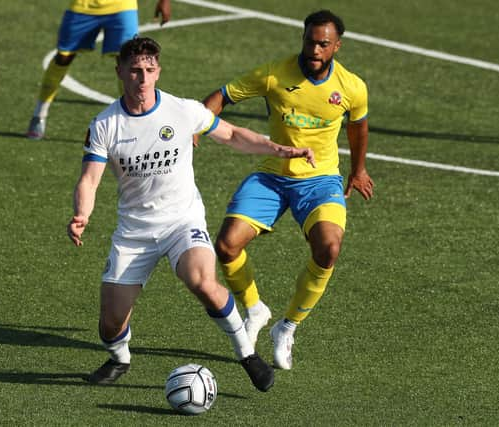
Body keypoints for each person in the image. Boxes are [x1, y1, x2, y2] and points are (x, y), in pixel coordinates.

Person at [67, 37, 316, 391]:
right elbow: (89, 181)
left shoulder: (181, 110)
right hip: (134, 232)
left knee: (201, 280)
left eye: (149, 71)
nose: (142, 79)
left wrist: (279, 149)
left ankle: (247, 354)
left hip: (181, 221)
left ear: (158, 72)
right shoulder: (106, 124)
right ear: (120, 71)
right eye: (135, 71)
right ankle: (120, 357)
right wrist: (82, 215)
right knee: (110, 324)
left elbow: (232, 135)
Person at [201, 10, 374, 370]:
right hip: (272, 174)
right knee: (226, 245)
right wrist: (198, 125)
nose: (315, 49)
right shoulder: (273, 74)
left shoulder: (351, 87)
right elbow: (221, 96)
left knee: (328, 248)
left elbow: (357, 127)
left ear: (336, 46)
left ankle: (287, 326)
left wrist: (358, 170)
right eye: (310, 40)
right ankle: (254, 309)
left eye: (323, 44)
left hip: (320, 180)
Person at [26, 0, 171, 140]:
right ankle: (40, 114)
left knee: (128, 61)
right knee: (63, 58)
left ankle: (134, 120)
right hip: (83, 6)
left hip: (122, 6)